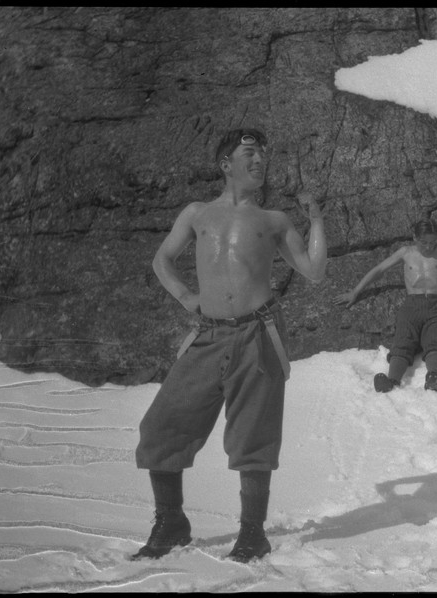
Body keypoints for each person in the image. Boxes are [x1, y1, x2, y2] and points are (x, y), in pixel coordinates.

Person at [131, 128, 327, 563]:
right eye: (250, 154)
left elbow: (313, 270)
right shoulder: (197, 213)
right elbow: (162, 259)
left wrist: (315, 220)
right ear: (226, 164)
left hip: (258, 333)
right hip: (207, 334)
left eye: (263, 155)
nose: (260, 161)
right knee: (162, 426)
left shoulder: (274, 220)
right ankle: (171, 523)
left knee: (253, 436)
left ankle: (252, 534)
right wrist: (186, 297)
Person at [334, 219, 437, 392]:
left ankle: (434, 376)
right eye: (424, 242)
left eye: (432, 242)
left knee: (436, 341)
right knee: (402, 342)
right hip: (411, 305)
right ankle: (392, 380)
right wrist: (355, 292)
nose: (428, 246)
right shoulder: (406, 252)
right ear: (415, 237)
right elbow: (379, 270)